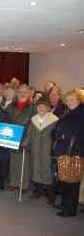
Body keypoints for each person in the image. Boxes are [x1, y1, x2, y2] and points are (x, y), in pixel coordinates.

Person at [51, 88, 84, 217]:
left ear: (79, 100)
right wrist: (55, 134)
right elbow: (56, 128)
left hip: (74, 154)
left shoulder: (82, 114)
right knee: (64, 180)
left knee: (72, 182)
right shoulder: (68, 111)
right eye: (68, 100)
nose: (70, 102)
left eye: (72, 100)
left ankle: (69, 209)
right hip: (63, 151)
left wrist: (66, 137)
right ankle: (65, 204)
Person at [21, 97, 58, 205]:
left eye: (43, 107)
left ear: (48, 108)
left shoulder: (54, 120)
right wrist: (25, 144)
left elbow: (56, 138)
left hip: (48, 150)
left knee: (47, 173)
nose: (41, 109)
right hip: (35, 149)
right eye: (39, 106)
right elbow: (29, 134)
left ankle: (51, 195)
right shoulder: (33, 119)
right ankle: (39, 191)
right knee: (36, 170)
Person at [6, 84, 37, 194]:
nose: (22, 94)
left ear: (28, 94)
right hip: (12, 138)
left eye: (24, 92)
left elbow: (34, 126)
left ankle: (23, 184)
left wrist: (28, 140)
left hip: (25, 139)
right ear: (16, 93)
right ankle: (14, 182)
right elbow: (6, 121)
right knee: (13, 161)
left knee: (24, 162)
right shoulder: (11, 106)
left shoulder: (33, 108)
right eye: (20, 92)